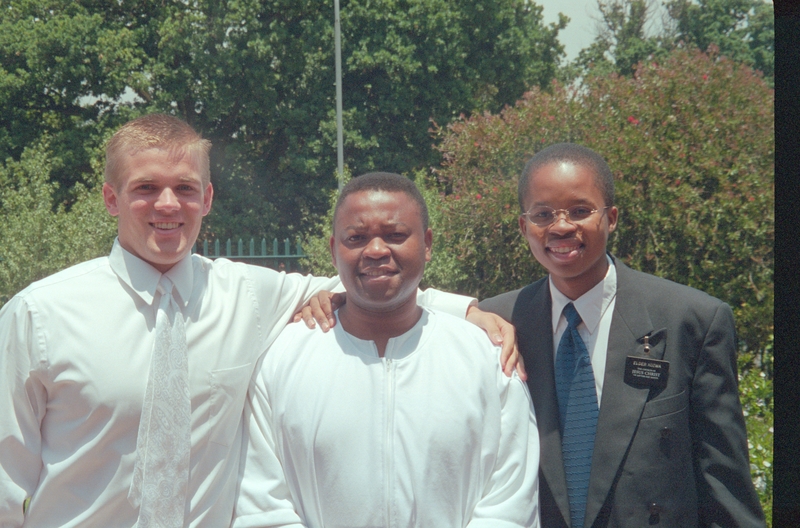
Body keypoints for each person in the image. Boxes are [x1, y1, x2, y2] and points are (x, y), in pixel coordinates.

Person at [0, 114, 513, 527]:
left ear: (207, 198)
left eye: (184, 188)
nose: (167, 204)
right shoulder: (39, 315)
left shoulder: (247, 293)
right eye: (145, 188)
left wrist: (467, 310)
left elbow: (366, 280)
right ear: (112, 199)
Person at [479, 143, 765, 527]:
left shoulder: (691, 320)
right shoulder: (496, 322)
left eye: (580, 211)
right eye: (543, 214)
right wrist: (462, 310)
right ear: (523, 226)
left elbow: (723, 484)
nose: (561, 227)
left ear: (611, 217)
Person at [234, 172, 540, 528]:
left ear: (427, 243)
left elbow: (509, 506)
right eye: (357, 237)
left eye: (395, 235)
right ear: (334, 250)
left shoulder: (488, 360)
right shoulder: (281, 360)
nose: (376, 250)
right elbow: (263, 506)